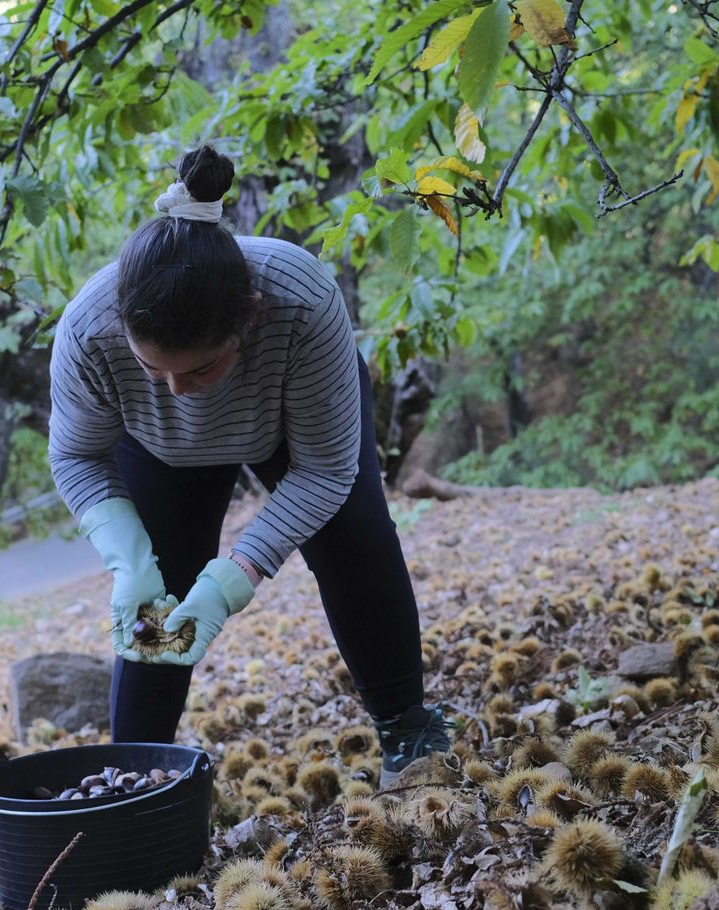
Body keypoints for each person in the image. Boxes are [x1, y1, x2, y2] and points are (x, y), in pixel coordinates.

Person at [47, 145, 453, 787]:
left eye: (202, 367)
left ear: (250, 316)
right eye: (156, 369)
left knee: (355, 541)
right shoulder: (88, 331)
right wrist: (129, 559)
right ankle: (135, 776)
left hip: (291, 420)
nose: (178, 390)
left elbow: (323, 471)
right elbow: (76, 455)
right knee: (161, 599)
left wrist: (236, 575)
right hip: (157, 448)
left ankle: (406, 726)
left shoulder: (300, 300)